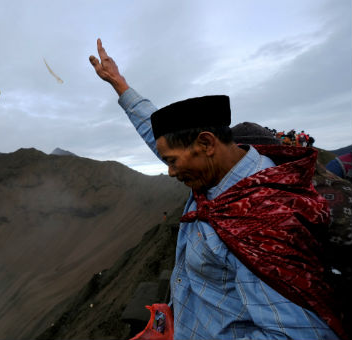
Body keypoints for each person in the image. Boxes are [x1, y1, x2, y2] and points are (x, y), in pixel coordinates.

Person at [89, 38, 344, 339]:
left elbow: (297, 335)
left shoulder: (261, 223)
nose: (169, 171)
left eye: (171, 161)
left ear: (207, 143)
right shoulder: (221, 168)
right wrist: (120, 85)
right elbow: (156, 132)